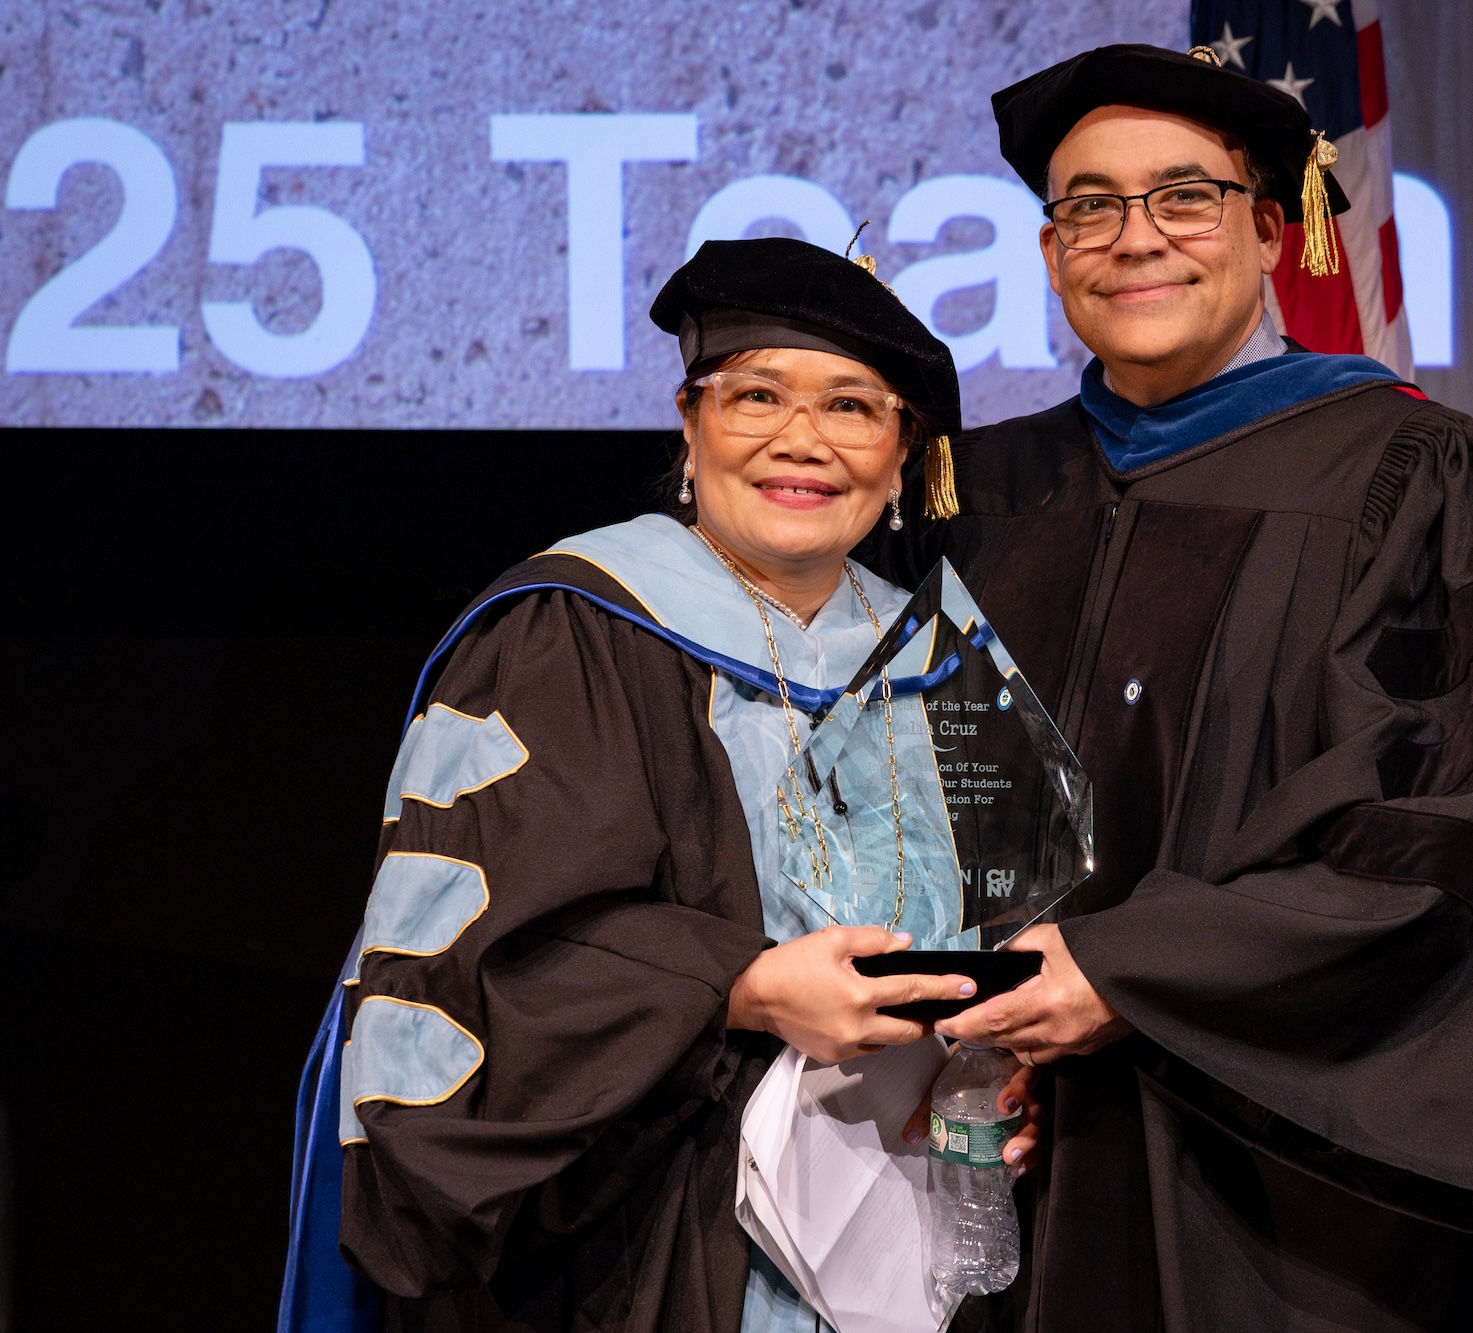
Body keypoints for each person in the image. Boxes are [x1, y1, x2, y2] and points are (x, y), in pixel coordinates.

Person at [872, 44, 1473, 1333]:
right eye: (1088, 205)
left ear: (1271, 227)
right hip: (982, 1154)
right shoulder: (981, 492)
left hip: (1283, 1183)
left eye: (1182, 197)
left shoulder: (1414, 476)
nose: (1133, 240)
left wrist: (1124, 973)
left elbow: (1440, 823)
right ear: (1048, 246)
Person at [278, 236, 1042, 1333]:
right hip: (660, 1233)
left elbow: (1017, 913)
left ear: (903, 448)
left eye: (851, 407)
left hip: (919, 1217)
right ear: (690, 422)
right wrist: (741, 984)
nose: (801, 441)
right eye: (756, 396)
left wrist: (1007, 1057)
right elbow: (495, 960)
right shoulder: (575, 627)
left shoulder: (945, 658)